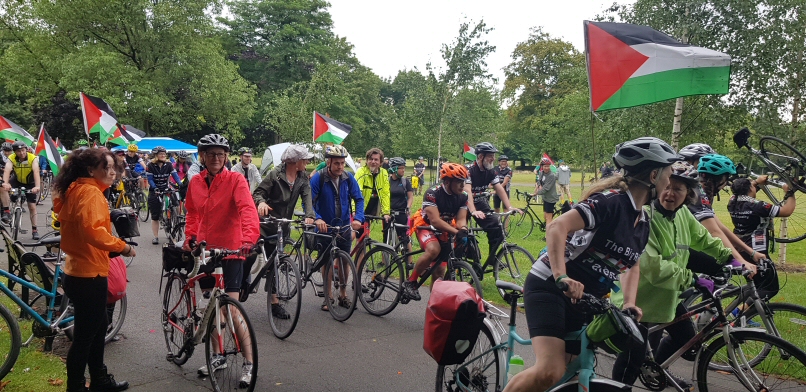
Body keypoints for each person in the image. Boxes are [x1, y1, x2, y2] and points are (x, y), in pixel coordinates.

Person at [504, 137, 680, 392]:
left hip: (586, 300)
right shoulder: (611, 203)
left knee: (571, 373)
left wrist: (630, 302)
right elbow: (556, 226)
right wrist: (561, 277)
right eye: (669, 173)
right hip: (550, 287)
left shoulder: (642, 221)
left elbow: (632, 265)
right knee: (549, 371)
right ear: (654, 175)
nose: (670, 180)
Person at [611, 161, 734, 390]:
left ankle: (656, 371)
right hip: (640, 301)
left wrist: (729, 258)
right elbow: (654, 268)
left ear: (689, 194)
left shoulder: (683, 215)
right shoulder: (645, 216)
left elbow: (704, 240)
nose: (670, 193)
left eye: (678, 189)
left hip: (668, 298)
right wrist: (694, 279)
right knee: (630, 362)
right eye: (667, 185)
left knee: (689, 341)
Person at [53, 148, 135, 392]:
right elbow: (93, 232)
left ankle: (99, 378)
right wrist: (123, 247)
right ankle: (77, 386)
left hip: (80, 270)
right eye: (106, 167)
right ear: (91, 170)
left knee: (98, 328)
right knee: (85, 338)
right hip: (88, 274)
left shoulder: (76, 189)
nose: (112, 172)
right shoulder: (90, 193)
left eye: (113, 167)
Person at [182, 133, 259, 386]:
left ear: (226, 156)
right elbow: (192, 213)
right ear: (202, 157)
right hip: (205, 251)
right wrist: (190, 239)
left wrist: (249, 239)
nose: (216, 158)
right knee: (209, 307)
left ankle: (249, 362)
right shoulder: (195, 182)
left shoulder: (235, 179)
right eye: (210, 154)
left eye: (220, 154)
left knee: (232, 309)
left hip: (232, 250)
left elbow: (247, 208)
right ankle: (217, 356)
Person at [251, 144, 316, 317]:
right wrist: (261, 203)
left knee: (275, 262)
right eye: (305, 159)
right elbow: (258, 193)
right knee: (250, 256)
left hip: (283, 225)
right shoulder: (274, 175)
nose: (308, 161)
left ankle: (274, 302)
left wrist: (310, 215)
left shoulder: (302, 178)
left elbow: (307, 197)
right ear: (295, 161)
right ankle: (241, 281)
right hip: (266, 224)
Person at [401, 163, 470, 301]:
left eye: (463, 181)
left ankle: (434, 307)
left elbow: (461, 219)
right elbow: (435, 221)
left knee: (439, 272)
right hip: (425, 225)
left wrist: (463, 230)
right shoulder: (433, 192)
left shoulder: (463, 196)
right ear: (447, 181)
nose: (462, 185)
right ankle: (411, 281)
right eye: (458, 182)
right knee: (433, 250)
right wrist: (456, 232)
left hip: (445, 227)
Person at [310, 145, 364, 311]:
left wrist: (359, 219)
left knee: (344, 261)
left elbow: (359, 199)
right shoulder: (318, 178)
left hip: (344, 226)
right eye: (337, 163)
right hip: (325, 227)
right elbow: (309, 203)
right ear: (329, 162)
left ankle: (343, 294)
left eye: (342, 163)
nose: (340, 167)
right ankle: (328, 297)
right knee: (326, 261)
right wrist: (317, 218)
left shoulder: (348, 178)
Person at [692, 153, 763, 268]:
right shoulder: (699, 195)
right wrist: (741, 261)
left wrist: (751, 252)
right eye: (726, 179)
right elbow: (715, 232)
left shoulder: (700, 191)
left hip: (689, 244)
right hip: (683, 247)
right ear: (721, 179)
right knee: (718, 266)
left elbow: (720, 227)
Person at [465, 142, 520, 276]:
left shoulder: (491, 171)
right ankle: (458, 260)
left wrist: (509, 207)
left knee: (496, 224)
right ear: (481, 156)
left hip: (479, 202)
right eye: (490, 156)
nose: (493, 159)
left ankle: (492, 258)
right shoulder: (469, 170)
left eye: (494, 156)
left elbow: (499, 188)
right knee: (461, 231)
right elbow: (467, 192)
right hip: (464, 202)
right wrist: (473, 211)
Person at [728, 176, 796, 258]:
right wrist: (790, 193)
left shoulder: (732, 201)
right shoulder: (758, 206)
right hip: (757, 249)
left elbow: (742, 190)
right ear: (751, 188)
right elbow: (787, 211)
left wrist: (756, 182)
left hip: (738, 246)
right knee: (763, 270)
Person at [354, 148, 390, 265]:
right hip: (358, 210)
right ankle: (339, 262)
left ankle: (358, 270)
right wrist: (355, 211)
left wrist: (386, 212)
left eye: (376, 159)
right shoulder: (361, 172)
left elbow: (385, 193)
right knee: (351, 237)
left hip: (370, 211)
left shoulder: (383, 173)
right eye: (370, 159)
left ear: (381, 162)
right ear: (367, 160)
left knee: (363, 240)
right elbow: (356, 192)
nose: (373, 162)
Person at [2, 141, 41, 239]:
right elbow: (7, 170)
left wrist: (37, 186)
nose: (22, 153)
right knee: (2, 187)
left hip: (30, 182)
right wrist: (5, 183)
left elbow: (36, 171)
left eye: (23, 150)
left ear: (26, 150)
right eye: (18, 151)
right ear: (14, 152)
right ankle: (6, 211)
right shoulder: (12, 158)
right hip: (17, 180)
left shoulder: (33, 158)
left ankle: (35, 230)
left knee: (32, 206)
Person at [146, 146, 181, 245]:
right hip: (155, 190)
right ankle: (156, 237)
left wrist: (180, 184)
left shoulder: (169, 164)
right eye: (161, 154)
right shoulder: (150, 165)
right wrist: (154, 187)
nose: (163, 156)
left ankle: (175, 218)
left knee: (175, 203)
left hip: (166, 188)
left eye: (164, 154)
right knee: (155, 216)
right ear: (156, 155)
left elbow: (175, 176)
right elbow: (150, 179)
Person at [385, 157, 413, 260]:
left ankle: (409, 261)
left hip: (401, 212)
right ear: (394, 169)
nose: (403, 170)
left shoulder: (405, 181)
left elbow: (410, 197)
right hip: (388, 213)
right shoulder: (387, 181)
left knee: (404, 237)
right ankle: (385, 261)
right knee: (386, 236)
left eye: (404, 168)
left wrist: (408, 207)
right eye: (401, 168)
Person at [535, 157, 559, 228]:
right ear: (542, 167)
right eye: (545, 166)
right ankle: (550, 229)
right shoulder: (541, 173)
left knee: (548, 218)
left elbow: (546, 188)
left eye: (548, 166)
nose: (546, 168)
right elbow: (538, 181)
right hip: (545, 198)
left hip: (551, 199)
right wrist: (539, 186)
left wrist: (535, 193)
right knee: (545, 216)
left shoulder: (551, 175)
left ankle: (547, 236)